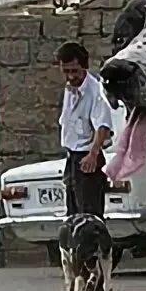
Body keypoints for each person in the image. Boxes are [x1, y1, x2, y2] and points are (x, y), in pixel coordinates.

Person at [55, 41, 113, 217]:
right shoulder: (69, 90)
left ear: (84, 67)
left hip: (87, 158)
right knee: (73, 214)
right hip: (72, 158)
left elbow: (102, 126)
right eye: (66, 71)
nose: (71, 76)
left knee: (89, 214)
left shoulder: (95, 91)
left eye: (75, 71)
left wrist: (93, 154)